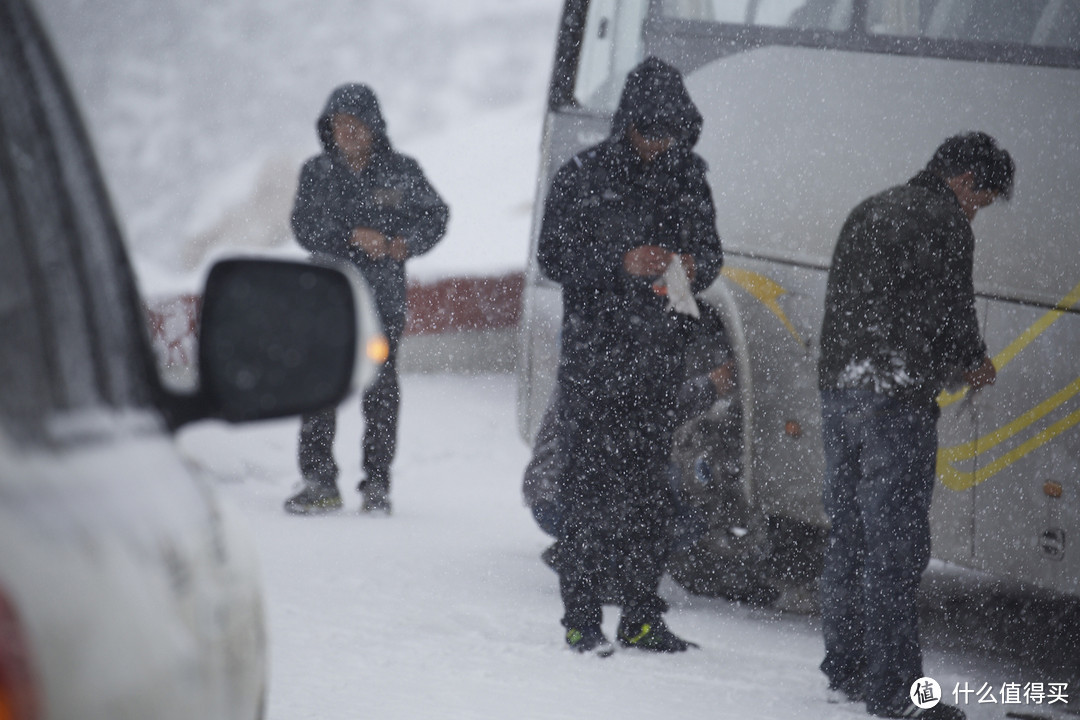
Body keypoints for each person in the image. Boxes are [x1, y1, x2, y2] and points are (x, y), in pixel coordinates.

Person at [817, 132, 1014, 719]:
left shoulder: (871, 206)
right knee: (894, 546)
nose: (978, 210)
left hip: (840, 386)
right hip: (894, 396)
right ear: (963, 180)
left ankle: (847, 666)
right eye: (982, 197)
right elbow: (951, 308)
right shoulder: (946, 221)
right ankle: (897, 691)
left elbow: (848, 302)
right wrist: (973, 361)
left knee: (849, 532)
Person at [537, 56, 724, 656]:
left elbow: (712, 255)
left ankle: (643, 617)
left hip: (659, 363)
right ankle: (581, 621)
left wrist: (694, 266)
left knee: (651, 497)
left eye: (668, 133)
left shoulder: (690, 176)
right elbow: (553, 260)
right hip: (595, 363)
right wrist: (620, 262)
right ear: (628, 124)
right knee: (586, 495)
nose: (657, 143)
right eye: (648, 131)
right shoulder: (582, 175)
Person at [284, 83, 449, 515]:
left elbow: (436, 216)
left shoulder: (402, 171)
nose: (348, 132)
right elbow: (303, 227)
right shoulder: (316, 173)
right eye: (339, 125)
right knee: (319, 388)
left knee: (380, 392)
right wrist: (351, 238)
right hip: (326, 302)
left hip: (382, 304)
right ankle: (319, 482)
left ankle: (377, 484)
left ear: (373, 126)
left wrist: (402, 243)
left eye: (355, 124)